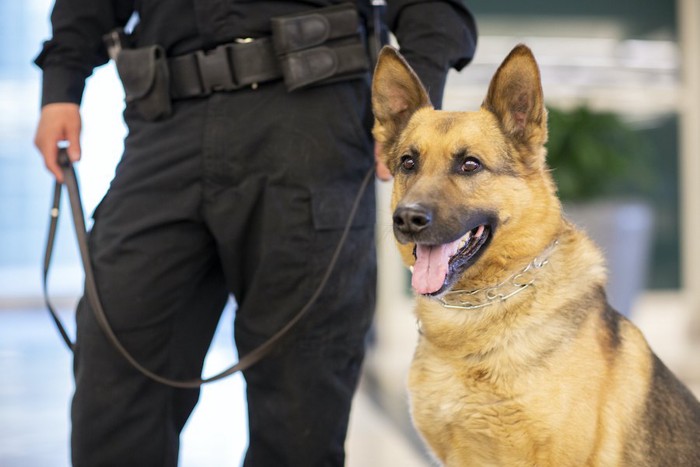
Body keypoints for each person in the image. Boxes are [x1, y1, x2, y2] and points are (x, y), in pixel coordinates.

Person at [33, 1, 477, 465]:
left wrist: (411, 111)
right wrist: (61, 80)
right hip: (164, 122)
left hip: (311, 127)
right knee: (115, 379)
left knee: (301, 402)